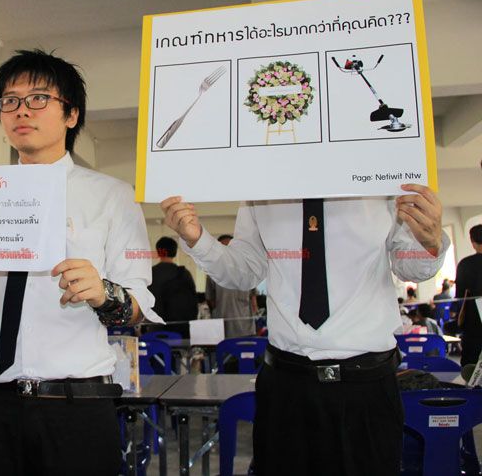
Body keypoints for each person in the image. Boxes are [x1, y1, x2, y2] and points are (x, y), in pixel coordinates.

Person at [0, 49, 158, 476]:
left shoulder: (112, 196)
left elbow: (138, 307)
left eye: (39, 98)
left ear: (71, 115)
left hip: (75, 408)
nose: (22, 110)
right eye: (10, 101)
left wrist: (103, 293)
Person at [161, 185, 447, 475]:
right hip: (286, 384)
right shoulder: (263, 183)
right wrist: (198, 240)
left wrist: (429, 243)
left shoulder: (381, 177)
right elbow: (245, 271)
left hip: (366, 386)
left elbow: (409, 267)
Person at [205, 234, 258, 338]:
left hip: (245, 329)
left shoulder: (248, 269)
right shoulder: (212, 271)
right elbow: (210, 300)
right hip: (222, 329)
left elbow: (253, 300)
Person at [148, 236, 197, 336]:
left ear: (159, 252)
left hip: (156, 327)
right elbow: (194, 298)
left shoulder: (150, 273)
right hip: (181, 327)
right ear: (175, 252)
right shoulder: (184, 273)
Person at [458, 224, 482, 366]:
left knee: (471, 364)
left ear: (472, 242)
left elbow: (460, 296)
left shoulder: (465, 264)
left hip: (473, 321)